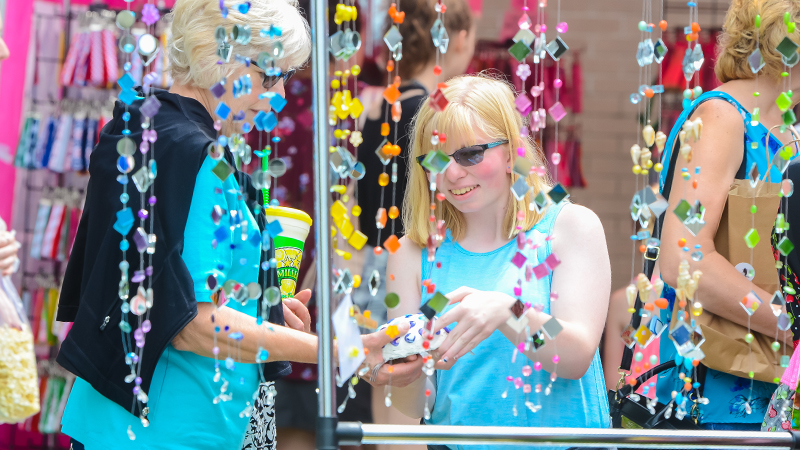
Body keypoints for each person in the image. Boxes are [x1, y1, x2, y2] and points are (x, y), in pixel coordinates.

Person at [55, 1, 420, 449]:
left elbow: (153, 284)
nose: (280, 97)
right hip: (170, 427)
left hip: (130, 420)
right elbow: (191, 323)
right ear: (219, 55)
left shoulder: (148, 132)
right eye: (271, 76)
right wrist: (344, 351)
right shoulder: (196, 156)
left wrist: (261, 312)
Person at [386, 74, 611, 450]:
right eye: (437, 159)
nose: (453, 173)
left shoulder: (570, 226)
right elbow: (414, 407)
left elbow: (575, 356)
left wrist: (509, 311)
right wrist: (403, 363)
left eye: (471, 154)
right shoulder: (413, 252)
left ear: (511, 152)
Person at [655, 0, 798, 430]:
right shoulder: (722, 118)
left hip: (781, 393)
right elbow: (684, 258)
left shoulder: (788, 126)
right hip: (719, 401)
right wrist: (789, 324)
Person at [353, 1, 474, 441]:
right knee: (413, 405)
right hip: (419, 267)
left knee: (384, 405)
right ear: (458, 38)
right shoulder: (432, 114)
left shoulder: (377, 107)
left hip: (371, 268)